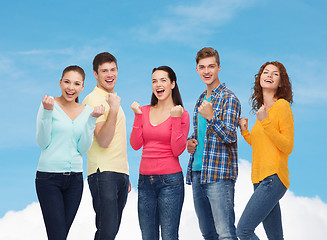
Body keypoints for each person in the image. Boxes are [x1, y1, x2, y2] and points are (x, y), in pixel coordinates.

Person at [35, 65, 104, 240]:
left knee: (61, 235)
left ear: (82, 87)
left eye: (76, 83)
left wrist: (91, 121)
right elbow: (42, 142)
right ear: (60, 83)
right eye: (67, 82)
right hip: (48, 178)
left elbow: (82, 148)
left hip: (74, 181)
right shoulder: (48, 104)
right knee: (57, 236)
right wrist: (47, 113)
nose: (70, 88)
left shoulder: (87, 112)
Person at [186, 47, 241, 240]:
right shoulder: (201, 99)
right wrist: (190, 143)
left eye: (211, 66)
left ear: (219, 68)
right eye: (202, 67)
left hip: (218, 175)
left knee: (225, 234)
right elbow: (201, 134)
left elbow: (230, 136)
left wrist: (211, 117)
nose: (206, 71)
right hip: (197, 172)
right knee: (208, 234)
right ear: (197, 70)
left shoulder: (229, 98)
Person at [130, 66, 190, 240]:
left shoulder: (181, 114)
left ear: (172, 84)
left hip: (170, 182)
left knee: (169, 236)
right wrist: (138, 116)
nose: (158, 84)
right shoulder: (145, 110)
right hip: (145, 182)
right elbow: (135, 144)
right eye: (154, 81)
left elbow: (177, 150)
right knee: (148, 236)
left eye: (163, 80)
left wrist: (176, 118)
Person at [236, 61, 294, 240]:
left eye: (275, 74)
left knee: (243, 231)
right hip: (259, 180)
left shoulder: (282, 106)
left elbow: (287, 146)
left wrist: (266, 122)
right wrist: (245, 131)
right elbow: (261, 144)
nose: (269, 75)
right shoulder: (262, 111)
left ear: (281, 82)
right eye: (266, 72)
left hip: (273, 178)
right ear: (259, 78)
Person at [82, 52, 130, 240]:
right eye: (104, 71)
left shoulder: (112, 99)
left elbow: (118, 140)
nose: (109, 75)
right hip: (103, 173)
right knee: (107, 231)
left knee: (111, 232)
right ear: (95, 74)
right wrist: (114, 110)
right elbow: (103, 140)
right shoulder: (93, 100)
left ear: (117, 71)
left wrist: (125, 173)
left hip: (119, 173)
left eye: (112, 70)